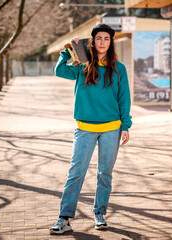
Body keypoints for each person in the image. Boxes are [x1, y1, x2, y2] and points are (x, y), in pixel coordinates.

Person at [49, 24, 132, 234]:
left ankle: (99, 214)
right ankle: (64, 218)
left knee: (105, 174)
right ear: (92, 42)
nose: (102, 42)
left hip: (112, 129)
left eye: (106, 38)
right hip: (84, 129)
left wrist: (125, 126)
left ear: (110, 42)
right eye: (98, 38)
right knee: (76, 172)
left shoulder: (119, 68)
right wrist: (68, 50)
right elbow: (59, 70)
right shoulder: (82, 66)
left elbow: (124, 99)